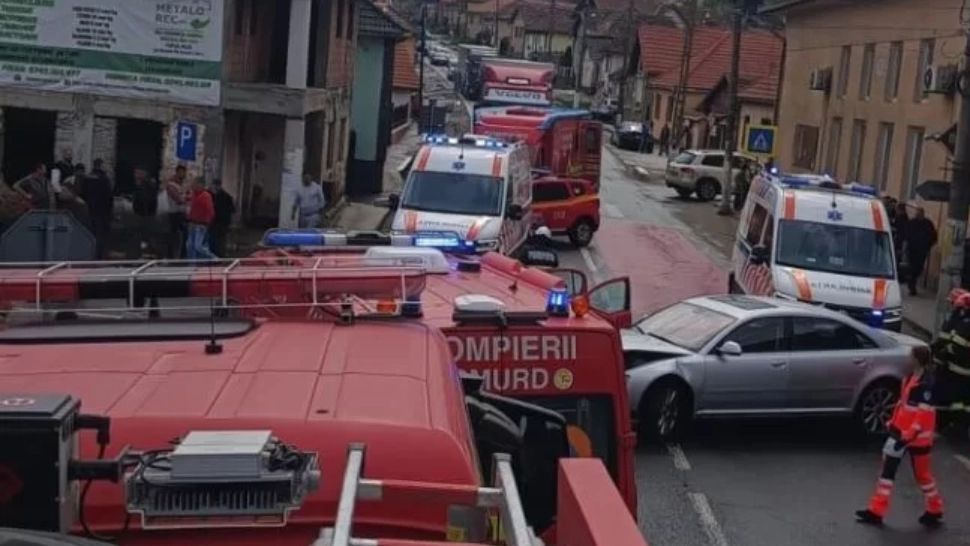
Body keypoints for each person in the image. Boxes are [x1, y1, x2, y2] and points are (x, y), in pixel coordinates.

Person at [855, 345, 943, 528]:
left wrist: (908, 435)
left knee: (923, 476)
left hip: (916, 439)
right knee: (887, 472)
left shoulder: (926, 386)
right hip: (900, 434)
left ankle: (935, 508)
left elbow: (922, 415)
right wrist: (892, 424)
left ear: (917, 360)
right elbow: (902, 405)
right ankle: (876, 510)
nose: (907, 359)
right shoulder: (909, 379)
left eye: (910, 356)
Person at [80, 159, 114, 259]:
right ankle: (98, 255)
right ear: (101, 166)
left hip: (90, 210)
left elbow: (83, 193)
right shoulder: (104, 179)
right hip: (102, 211)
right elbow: (108, 196)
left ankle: (88, 254)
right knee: (101, 234)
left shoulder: (87, 177)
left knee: (90, 233)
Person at [904, 206, 937, 296]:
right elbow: (906, 234)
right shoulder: (912, 222)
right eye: (917, 213)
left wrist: (928, 245)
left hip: (922, 250)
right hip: (912, 250)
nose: (918, 214)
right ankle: (912, 286)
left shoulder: (928, 223)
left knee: (919, 268)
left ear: (923, 213)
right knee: (912, 267)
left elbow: (933, 236)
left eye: (920, 213)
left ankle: (912, 281)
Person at [128, 166, 158, 259]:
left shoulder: (146, 185)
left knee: (143, 234)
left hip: (144, 214)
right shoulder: (142, 184)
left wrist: (141, 210)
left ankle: (146, 253)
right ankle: (144, 252)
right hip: (144, 213)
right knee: (142, 234)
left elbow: (145, 199)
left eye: (137, 173)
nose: (135, 175)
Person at [185, 177, 216, 260]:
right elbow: (189, 206)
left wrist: (206, 223)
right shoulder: (193, 195)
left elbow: (210, 211)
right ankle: (191, 266)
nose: (193, 185)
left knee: (198, 246)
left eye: (195, 184)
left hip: (201, 225)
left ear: (200, 185)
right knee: (189, 246)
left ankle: (213, 258)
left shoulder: (206, 196)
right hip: (192, 223)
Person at [164, 165, 189, 259]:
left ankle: (182, 255)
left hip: (182, 213)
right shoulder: (171, 184)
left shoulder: (183, 184)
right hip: (174, 213)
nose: (183, 174)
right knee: (173, 235)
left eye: (184, 172)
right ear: (177, 172)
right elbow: (178, 199)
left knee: (184, 235)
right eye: (181, 172)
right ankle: (170, 255)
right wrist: (186, 198)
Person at [207, 179, 235, 257]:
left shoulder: (225, 196)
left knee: (219, 240)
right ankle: (215, 255)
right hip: (216, 221)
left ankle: (218, 255)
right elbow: (232, 210)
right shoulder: (211, 195)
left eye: (216, 185)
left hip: (221, 222)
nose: (215, 187)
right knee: (215, 240)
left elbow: (231, 210)